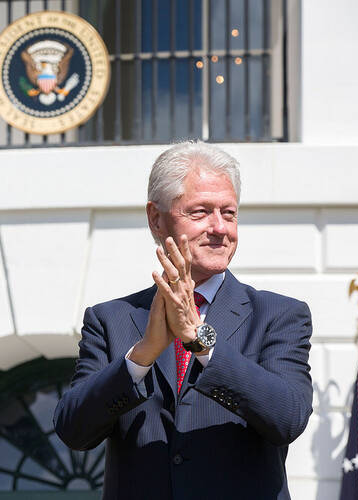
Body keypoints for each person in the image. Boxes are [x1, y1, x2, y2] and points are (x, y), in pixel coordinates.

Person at [54, 142, 313, 499]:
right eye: (201, 211)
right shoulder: (110, 320)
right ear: (156, 218)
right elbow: (73, 430)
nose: (220, 228)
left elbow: (288, 417)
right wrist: (142, 355)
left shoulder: (277, 315)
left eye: (229, 213)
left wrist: (200, 339)